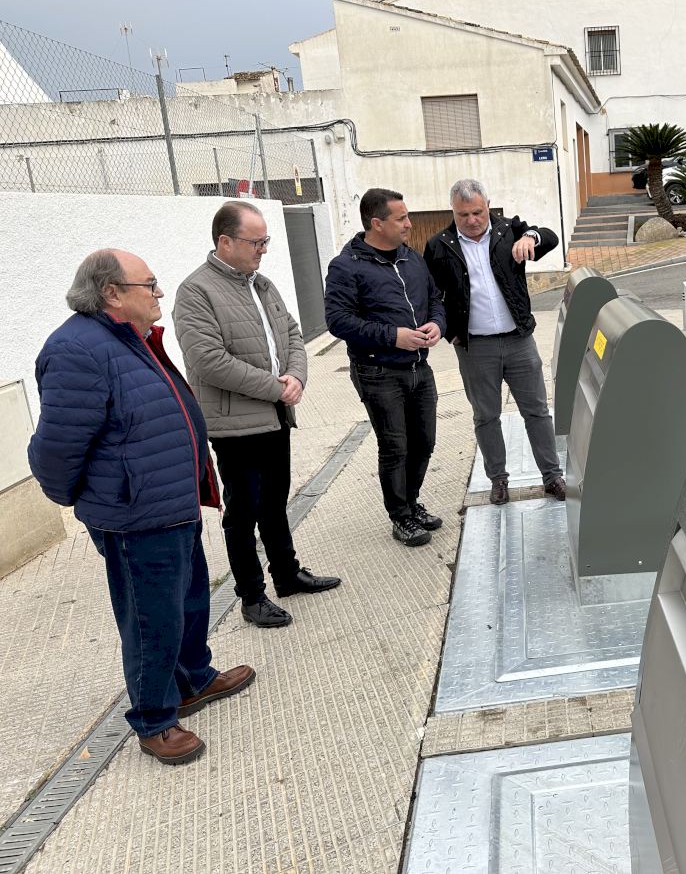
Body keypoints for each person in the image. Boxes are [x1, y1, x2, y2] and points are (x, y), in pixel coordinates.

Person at [28, 249, 255, 766]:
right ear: (111, 293)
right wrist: (84, 497)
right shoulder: (77, 349)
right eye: (149, 284)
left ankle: (194, 679)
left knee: (189, 598)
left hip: (170, 502)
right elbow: (57, 448)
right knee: (152, 619)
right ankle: (154, 718)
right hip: (135, 514)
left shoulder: (129, 338)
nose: (158, 292)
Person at [174, 202, 341, 629]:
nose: (263, 249)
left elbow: (293, 334)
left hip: (275, 417)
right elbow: (209, 361)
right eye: (256, 242)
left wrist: (296, 377)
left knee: (275, 503)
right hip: (236, 426)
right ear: (225, 242)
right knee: (243, 512)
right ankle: (251, 595)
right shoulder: (196, 292)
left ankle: (286, 573)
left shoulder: (262, 285)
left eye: (265, 241)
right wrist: (276, 388)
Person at [423, 179, 565, 506]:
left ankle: (552, 476)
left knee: (537, 412)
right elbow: (431, 295)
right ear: (452, 211)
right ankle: (498, 480)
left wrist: (531, 236)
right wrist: (446, 329)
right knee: (486, 417)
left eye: (477, 212)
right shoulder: (438, 246)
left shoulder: (508, 231)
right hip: (475, 348)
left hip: (519, 341)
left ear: (488, 205)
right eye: (463, 215)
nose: (472, 220)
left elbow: (549, 237)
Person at [324, 188, 446, 547]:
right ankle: (401, 516)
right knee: (395, 446)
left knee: (424, 442)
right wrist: (393, 336)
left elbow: (435, 299)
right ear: (377, 223)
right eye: (401, 218)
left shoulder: (411, 258)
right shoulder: (346, 266)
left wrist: (438, 324)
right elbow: (338, 320)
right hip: (378, 372)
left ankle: (412, 502)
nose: (409, 224)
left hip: (419, 368)